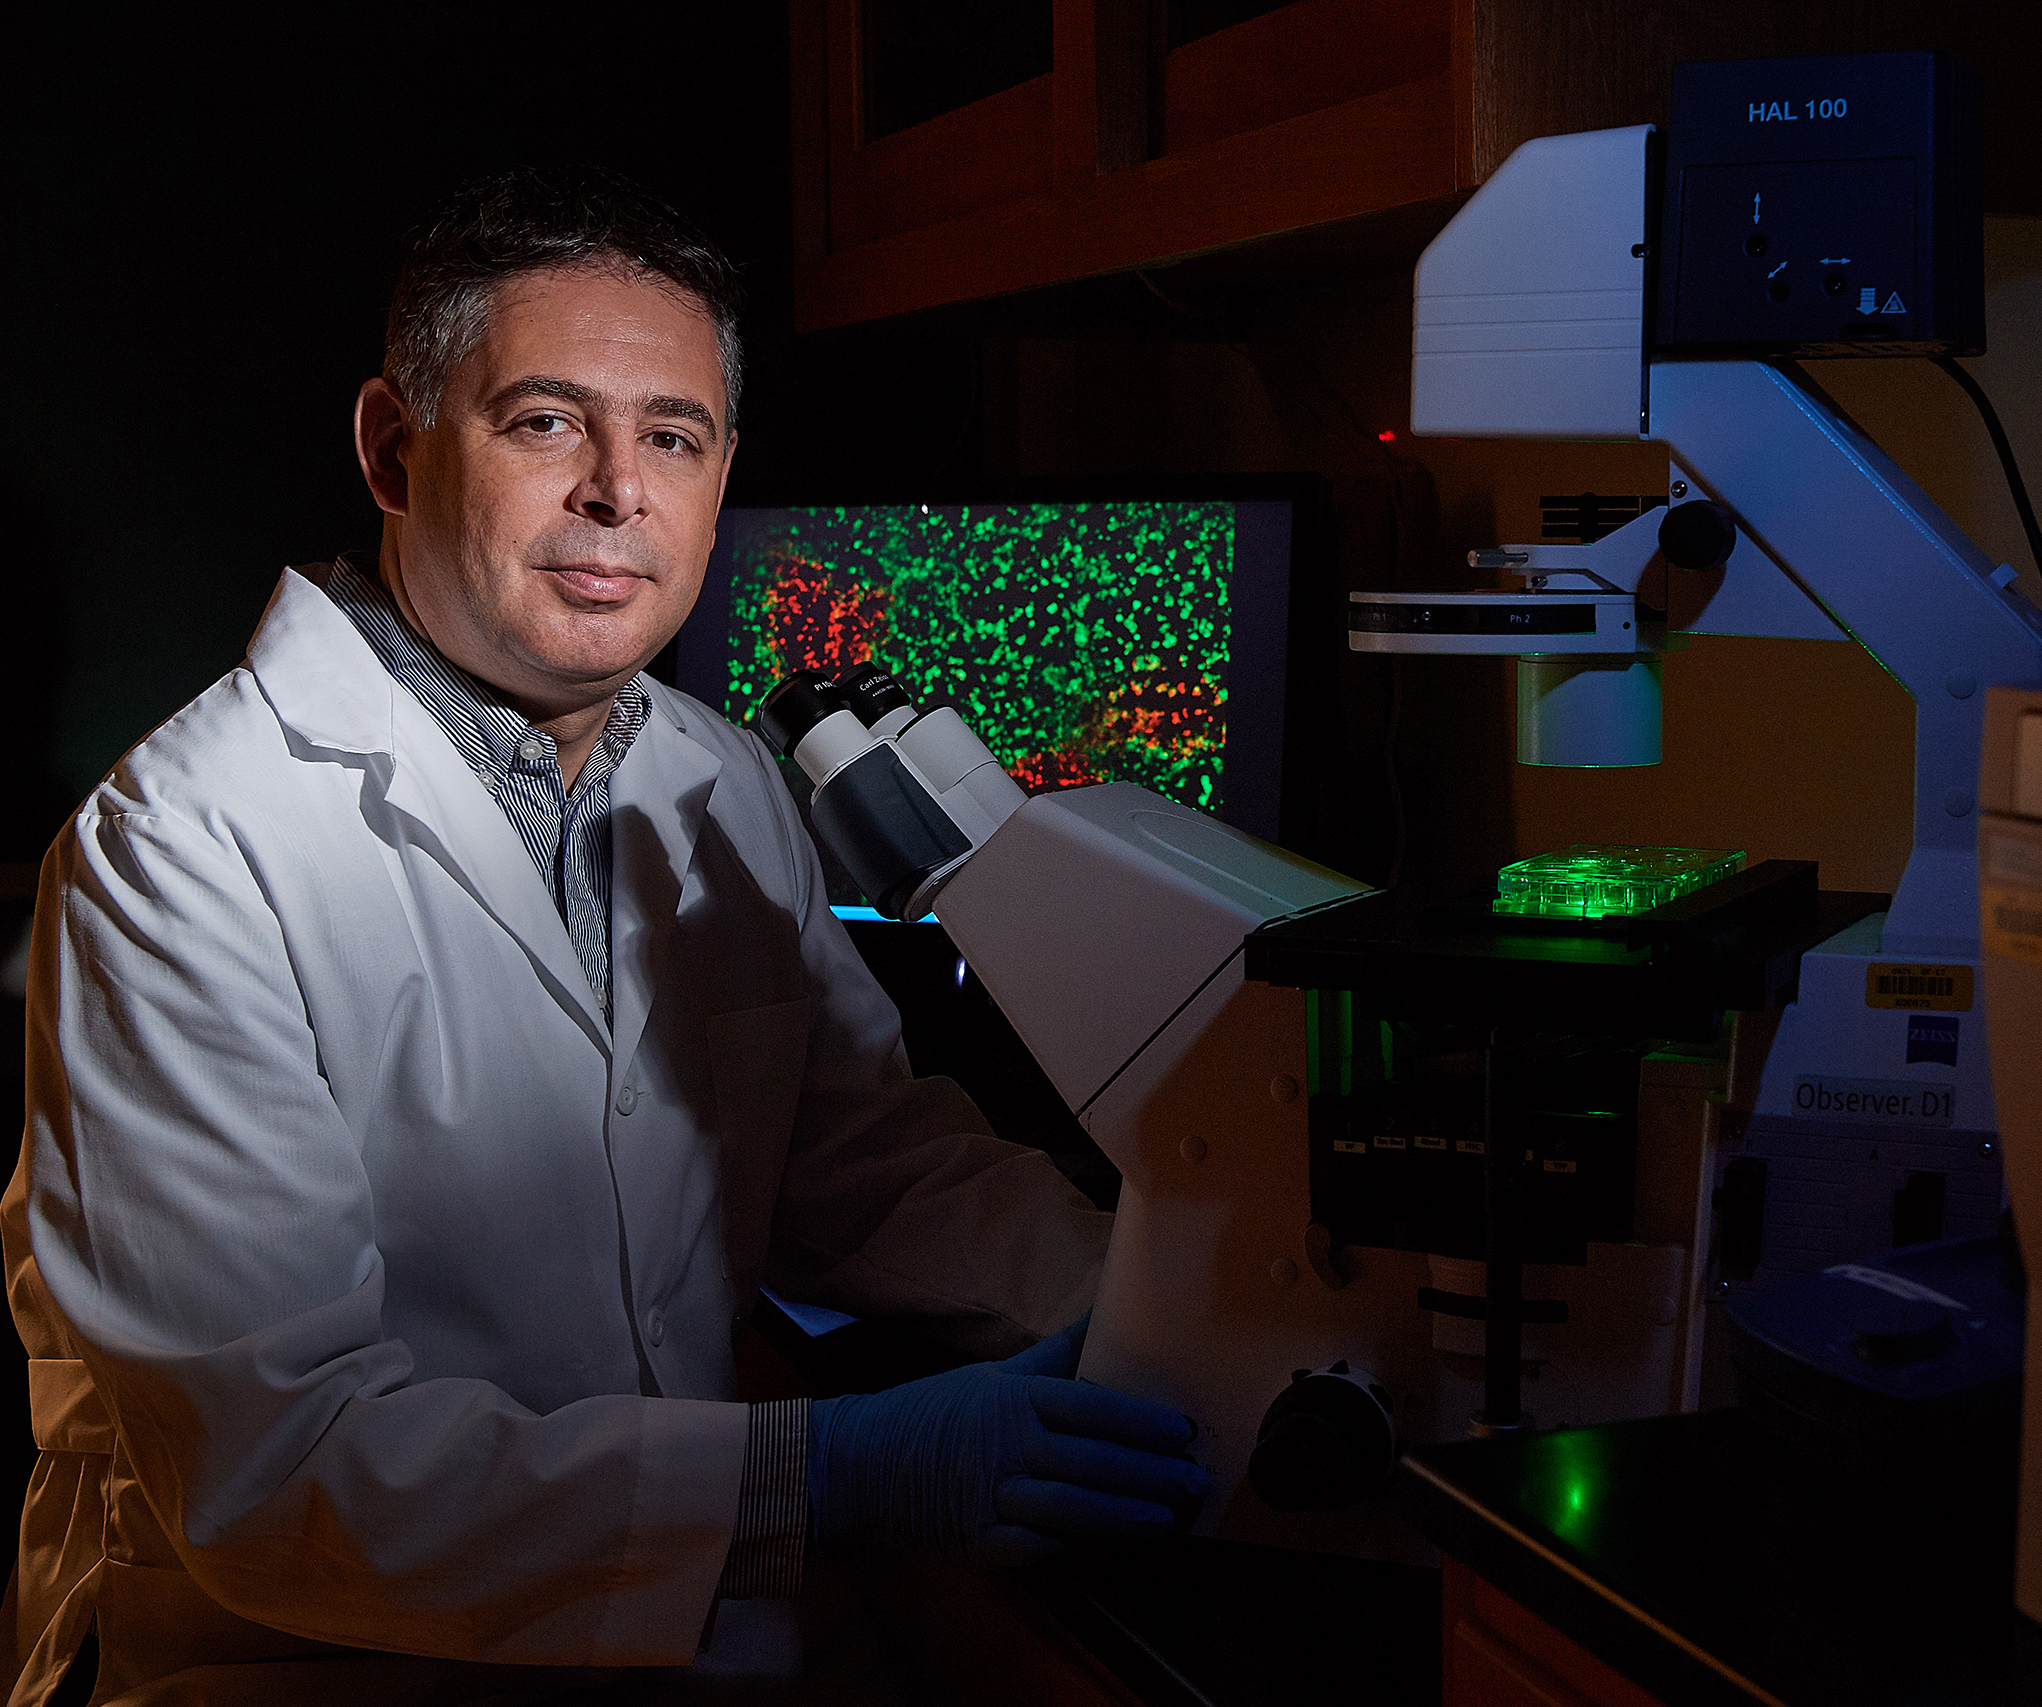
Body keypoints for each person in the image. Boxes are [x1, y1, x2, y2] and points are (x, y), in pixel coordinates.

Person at [3, 166, 1207, 1705]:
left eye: (674, 438)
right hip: (293, 1666)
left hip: (688, 1643)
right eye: (546, 422)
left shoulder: (722, 780)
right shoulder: (187, 845)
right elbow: (276, 1468)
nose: (619, 493)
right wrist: (832, 1473)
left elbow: (868, 1167)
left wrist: (1166, 1308)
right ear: (392, 448)